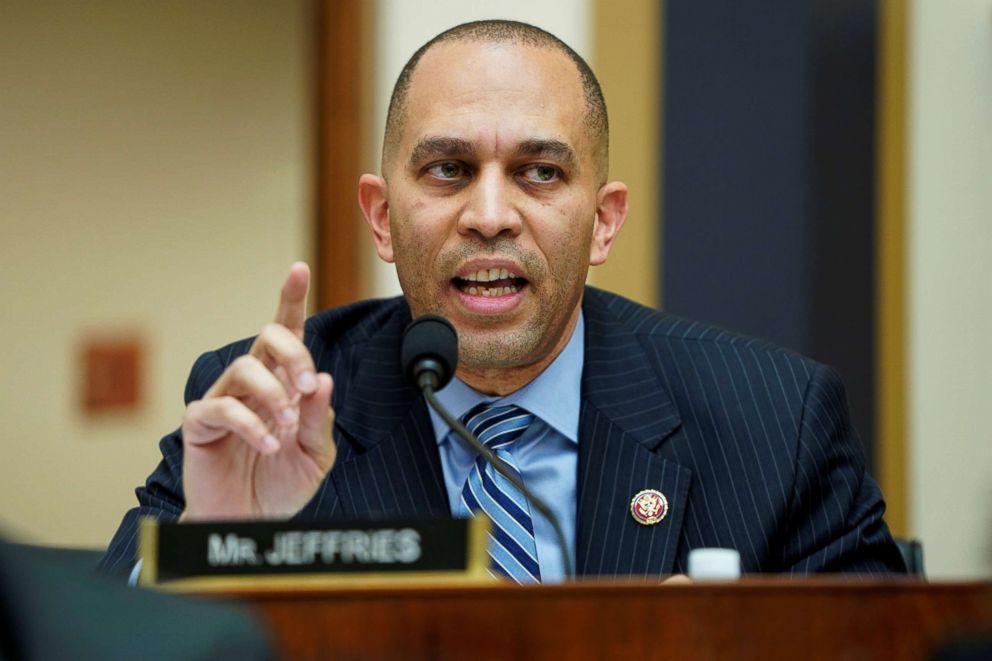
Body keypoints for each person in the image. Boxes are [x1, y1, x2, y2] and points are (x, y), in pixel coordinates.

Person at [100, 20, 905, 582]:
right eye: (448, 169)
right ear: (382, 217)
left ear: (603, 221)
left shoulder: (775, 422)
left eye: (540, 172)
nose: (489, 215)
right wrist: (208, 551)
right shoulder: (268, 414)